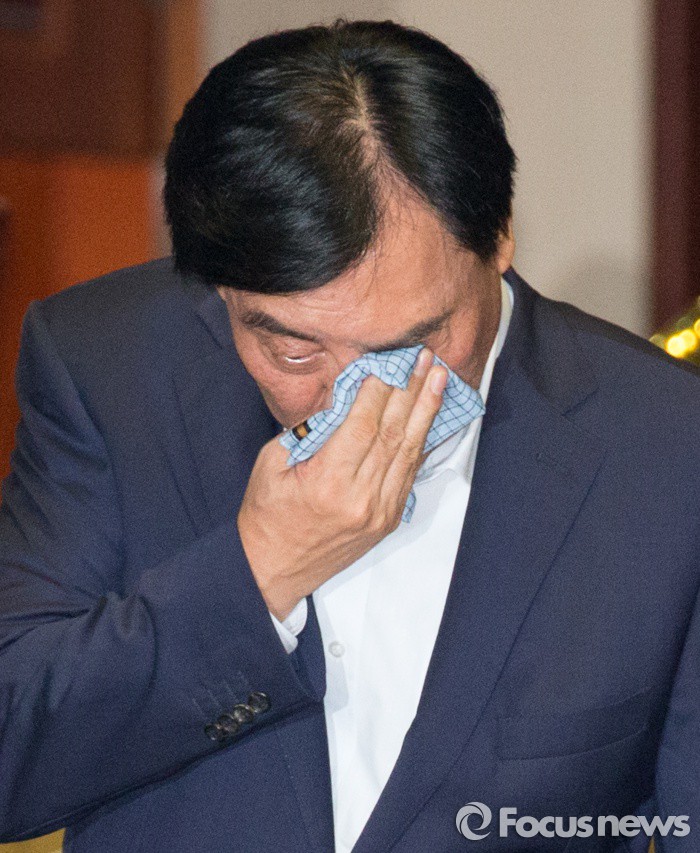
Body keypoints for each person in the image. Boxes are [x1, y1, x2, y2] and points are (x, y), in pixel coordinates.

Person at [0, 19, 699, 853]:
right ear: (217, 291)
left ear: (499, 235)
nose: (360, 399)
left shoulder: (666, 445)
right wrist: (260, 570)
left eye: (413, 344)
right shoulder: (108, 369)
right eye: (294, 351)